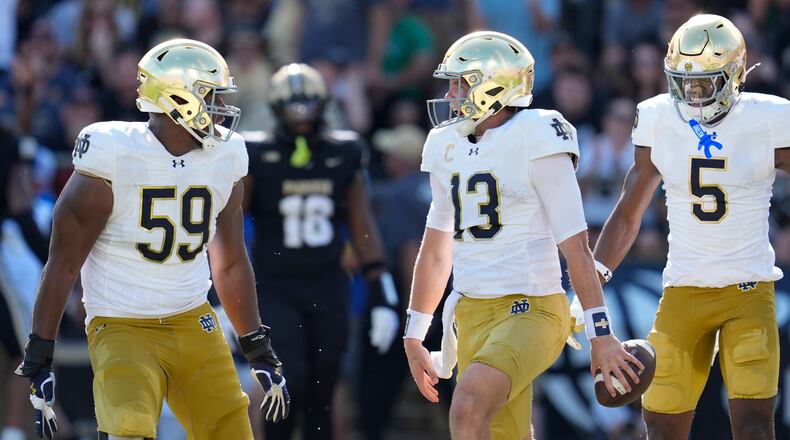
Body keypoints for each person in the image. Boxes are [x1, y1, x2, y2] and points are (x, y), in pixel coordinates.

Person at [14, 38, 290, 440]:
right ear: (179, 98)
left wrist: (254, 343)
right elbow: (63, 264)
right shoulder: (112, 154)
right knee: (129, 425)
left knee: (230, 427)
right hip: (121, 323)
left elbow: (229, 261)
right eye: (210, 96)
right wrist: (40, 352)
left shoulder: (226, 156)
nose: (219, 109)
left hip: (193, 318)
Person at [404, 30, 641, 440]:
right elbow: (437, 250)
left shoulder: (538, 135)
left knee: (468, 407)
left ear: (494, 87)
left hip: (531, 308)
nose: (450, 95)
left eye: (460, 84)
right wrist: (414, 331)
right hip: (471, 314)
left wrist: (600, 333)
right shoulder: (447, 145)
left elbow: (576, 248)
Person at [592, 14, 790, 439]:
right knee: (661, 430)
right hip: (683, 289)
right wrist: (594, 280)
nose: (692, 94)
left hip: (749, 288)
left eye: (705, 83)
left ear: (735, 75)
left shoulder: (771, 117)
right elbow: (630, 209)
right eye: (683, 81)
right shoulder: (658, 116)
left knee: (755, 427)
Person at [242, 63, 399, 440]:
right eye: (292, 106)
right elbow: (229, 228)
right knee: (286, 379)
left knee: (324, 387)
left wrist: (383, 293)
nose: (300, 116)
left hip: (328, 287)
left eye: (307, 105)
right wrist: (222, 290)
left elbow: (362, 227)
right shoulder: (256, 153)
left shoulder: (343, 151)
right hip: (276, 288)